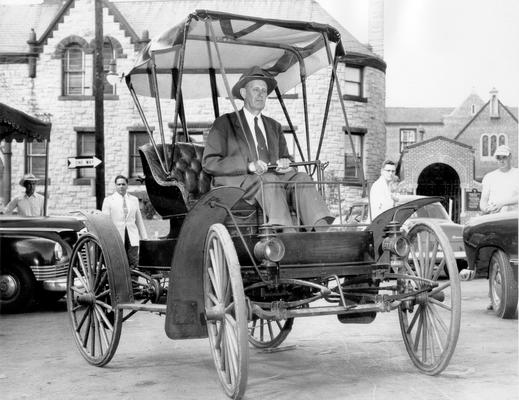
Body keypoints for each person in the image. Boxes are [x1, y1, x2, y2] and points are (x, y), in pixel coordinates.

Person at [202, 66, 333, 231]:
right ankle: (287, 234)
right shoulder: (224, 123)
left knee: (302, 178)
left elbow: (288, 159)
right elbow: (210, 163)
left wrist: (286, 163)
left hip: (273, 181)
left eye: (264, 91)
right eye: (255, 89)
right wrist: (248, 165)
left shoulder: (274, 126)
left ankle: (323, 233)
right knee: (269, 180)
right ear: (243, 93)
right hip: (239, 184)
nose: (261, 94)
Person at [102, 175, 148, 268]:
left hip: (132, 235)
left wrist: (144, 237)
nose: (121, 186)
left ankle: (134, 283)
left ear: (127, 185)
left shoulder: (134, 200)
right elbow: (105, 222)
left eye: (123, 184)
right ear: (115, 186)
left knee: (134, 262)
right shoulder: (109, 200)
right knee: (120, 263)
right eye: (119, 184)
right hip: (116, 237)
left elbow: (138, 220)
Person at [479, 145, 519, 214]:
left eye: (504, 157)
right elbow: (483, 201)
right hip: (494, 218)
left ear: (510, 157)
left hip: (513, 218)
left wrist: (502, 204)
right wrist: (486, 209)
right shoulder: (489, 177)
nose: (501, 161)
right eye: (498, 158)